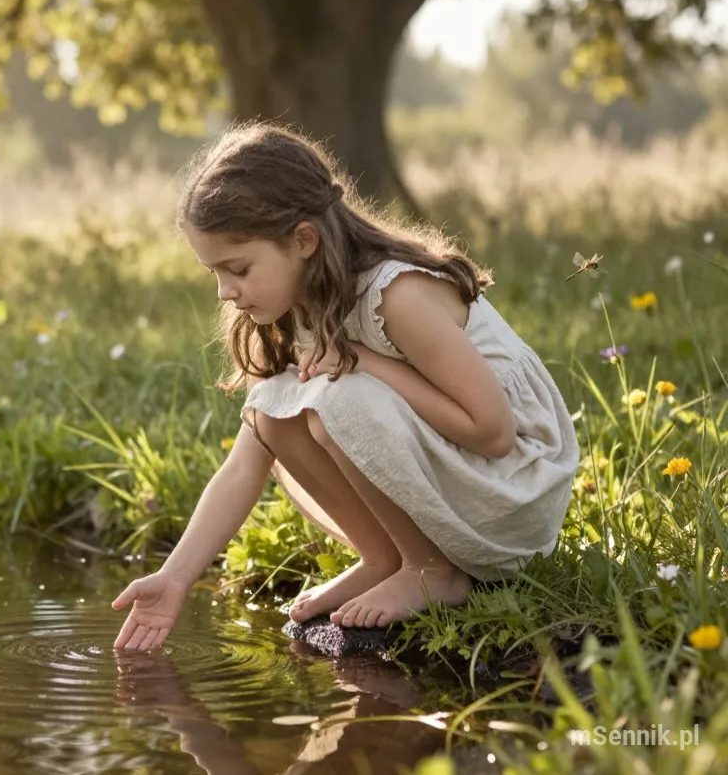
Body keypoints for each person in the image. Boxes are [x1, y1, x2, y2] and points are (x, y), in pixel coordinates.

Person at [112, 121, 579, 652]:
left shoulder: (395, 296)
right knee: (273, 411)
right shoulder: (298, 306)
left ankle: (434, 571)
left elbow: (493, 433)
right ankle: (385, 559)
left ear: (303, 240)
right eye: (214, 273)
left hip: (513, 494)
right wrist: (175, 577)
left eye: (237, 269)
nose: (225, 292)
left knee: (337, 396)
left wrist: (365, 364)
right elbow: (246, 462)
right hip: (461, 483)